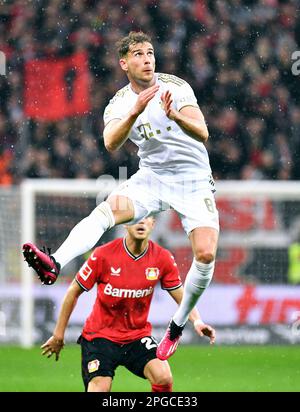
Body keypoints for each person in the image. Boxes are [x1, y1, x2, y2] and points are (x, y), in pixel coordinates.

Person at [23, 31, 219, 360]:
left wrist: (175, 117)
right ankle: (55, 262)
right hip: (153, 179)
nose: (147, 60)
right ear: (124, 63)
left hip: (193, 181)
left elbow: (204, 133)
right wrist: (135, 111)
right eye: (139, 54)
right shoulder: (118, 103)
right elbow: (111, 143)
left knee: (206, 255)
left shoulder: (175, 86)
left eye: (151, 53)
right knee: (105, 212)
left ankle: (177, 325)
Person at [40, 217, 216, 392]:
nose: (141, 222)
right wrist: (58, 335)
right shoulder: (103, 255)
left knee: (163, 377)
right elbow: (73, 292)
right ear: (125, 223)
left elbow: (183, 297)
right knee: (100, 389)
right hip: (100, 338)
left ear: (153, 224)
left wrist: (197, 321)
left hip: (136, 337)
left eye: (147, 218)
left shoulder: (162, 258)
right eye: (137, 218)